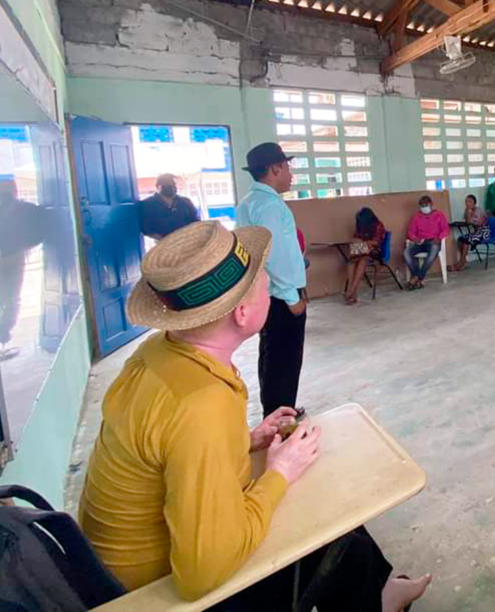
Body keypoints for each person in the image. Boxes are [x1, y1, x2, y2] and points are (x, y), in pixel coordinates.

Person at [78, 221, 429, 612]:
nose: (271, 287)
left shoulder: (158, 355)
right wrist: (278, 474)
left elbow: (164, 448)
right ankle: (375, 602)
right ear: (243, 313)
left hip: (116, 568)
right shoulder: (201, 404)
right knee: (321, 519)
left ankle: (378, 594)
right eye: (265, 282)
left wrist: (246, 440)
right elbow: (201, 573)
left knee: (323, 503)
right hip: (157, 591)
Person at [235, 143, 307, 416]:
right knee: (285, 357)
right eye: (287, 167)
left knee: (272, 353)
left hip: (268, 291)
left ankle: (277, 410)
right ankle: (280, 417)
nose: (290, 174)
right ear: (275, 168)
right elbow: (273, 254)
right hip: (281, 294)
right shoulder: (267, 205)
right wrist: (292, 297)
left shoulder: (250, 202)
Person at [0, 179, 45, 354]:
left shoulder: (24, 210)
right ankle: (0, 335)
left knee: (9, 299)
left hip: (7, 258)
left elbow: (41, 226)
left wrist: (24, 246)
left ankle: (1, 333)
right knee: (2, 298)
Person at [403, 195, 449, 290]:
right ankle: (418, 279)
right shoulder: (416, 217)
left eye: (426, 204)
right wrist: (415, 239)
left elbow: (446, 229)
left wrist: (439, 238)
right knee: (406, 253)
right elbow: (410, 232)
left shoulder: (439, 215)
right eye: (422, 205)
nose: (424, 207)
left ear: (431, 204)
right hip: (420, 242)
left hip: (433, 241)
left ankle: (416, 278)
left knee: (434, 250)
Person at [345, 208, 387, 305]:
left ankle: (352, 290)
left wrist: (363, 243)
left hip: (375, 252)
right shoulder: (360, 225)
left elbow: (377, 242)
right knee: (351, 259)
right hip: (363, 249)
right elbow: (356, 238)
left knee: (363, 260)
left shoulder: (378, 225)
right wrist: (357, 242)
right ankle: (351, 290)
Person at [140, 173, 200, 241]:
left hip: (187, 242)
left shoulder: (186, 202)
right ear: (158, 187)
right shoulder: (147, 205)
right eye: (167, 185)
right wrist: (167, 241)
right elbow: (147, 229)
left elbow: (196, 222)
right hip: (164, 245)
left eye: (173, 184)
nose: (171, 187)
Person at [453, 194, 490, 272]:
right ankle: (464, 261)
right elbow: (468, 222)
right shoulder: (467, 210)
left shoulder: (478, 210)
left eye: (469, 201)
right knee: (460, 239)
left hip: (484, 232)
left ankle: (461, 262)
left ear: (474, 203)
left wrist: (469, 212)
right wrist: (468, 212)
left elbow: (472, 221)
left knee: (467, 240)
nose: (467, 203)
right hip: (477, 232)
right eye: (466, 201)